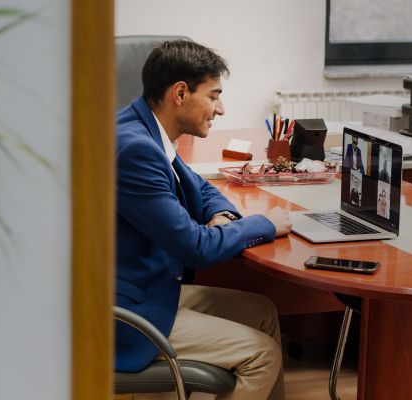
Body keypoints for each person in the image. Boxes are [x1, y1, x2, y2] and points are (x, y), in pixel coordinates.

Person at [115, 40, 291, 400]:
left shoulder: (144, 126)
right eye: (213, 96)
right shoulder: (136, 149)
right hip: (123, 312)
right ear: (180, 93)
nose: (221, 109)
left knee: (263, 312)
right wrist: (265, 224)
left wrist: (222, 216)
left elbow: (198, 187)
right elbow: (195, 247)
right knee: (262, 355)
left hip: (145, 285)